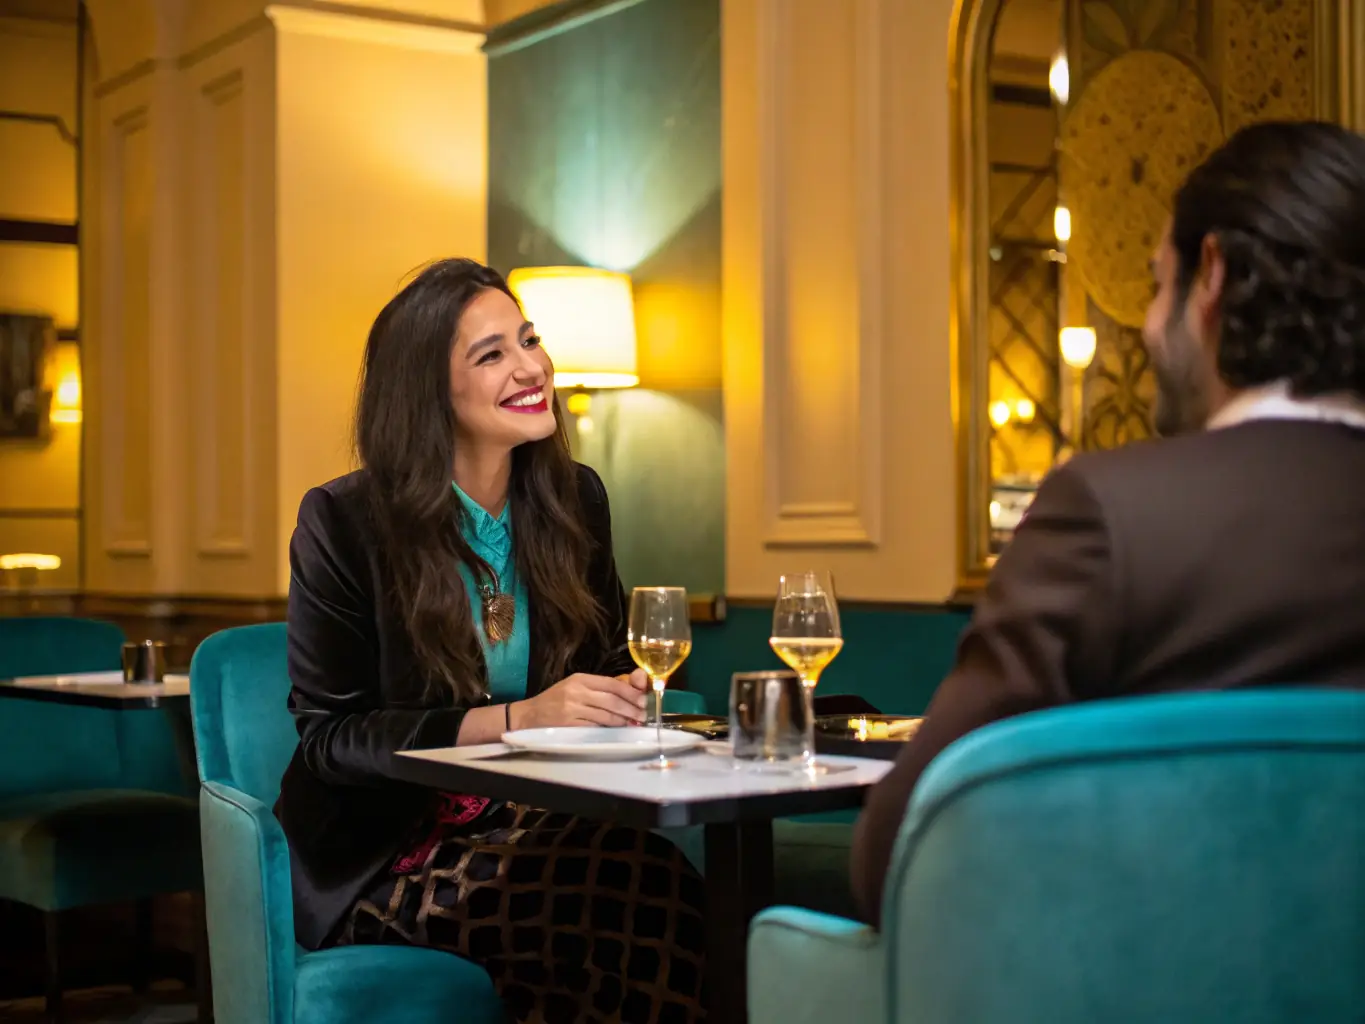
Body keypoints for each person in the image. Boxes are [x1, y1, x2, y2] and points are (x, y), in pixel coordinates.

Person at [850, 119, 1365, 926]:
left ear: (1213, 277)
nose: (1145, 325)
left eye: (1155, 283)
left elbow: (904, 850)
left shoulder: (1111, 513)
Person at [275, 258, 706, 1023]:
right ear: (427, 391)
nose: (530, 366)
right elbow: (330, 742)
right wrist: (519, 719)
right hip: (395, 852)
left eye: (529, 340)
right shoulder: (342, 523)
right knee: (616, 894)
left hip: (547, 824)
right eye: (492, 353)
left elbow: (604, 664)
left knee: (642, 880)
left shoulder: (574, 498)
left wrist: (624, 694)